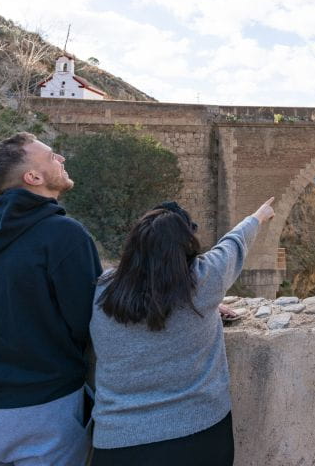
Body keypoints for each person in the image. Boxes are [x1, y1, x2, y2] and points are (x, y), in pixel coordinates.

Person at [0, 132, 102, 466]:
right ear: (33, 178)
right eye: (51, 157)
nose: (61, 159)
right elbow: (94, 318)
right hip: (45, 411)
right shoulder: (65, 235)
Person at [89, 197, 276, 465]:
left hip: (118, 442)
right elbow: (233, 244)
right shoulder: (202, 282)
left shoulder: (102, 289)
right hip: (197, 436)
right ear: (186, 246)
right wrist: (258, 215)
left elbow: (147, 295)